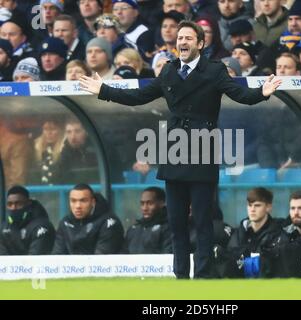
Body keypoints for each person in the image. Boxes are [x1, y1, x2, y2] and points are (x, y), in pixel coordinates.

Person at [79, 20, 281, 278]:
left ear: (200, 43)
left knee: (203, 220)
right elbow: (139, 97)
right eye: (179, 39)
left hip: (202, 149)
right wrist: (103, 90)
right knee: (176, 222)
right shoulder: (169, 71)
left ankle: (205, 274)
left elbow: (239, 94)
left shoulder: (214, 70)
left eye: (187, 38)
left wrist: (261, 92)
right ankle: (181, 276)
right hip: (175, 150)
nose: (182, 42)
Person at [52, 183, 124, 254]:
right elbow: (57, 256)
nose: (78, 206)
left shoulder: (109, 223)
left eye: (83, 201)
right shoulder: (65, 222)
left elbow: (102, 260)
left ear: (93, 202)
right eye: (73, 201)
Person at [0, 186, 55, 255]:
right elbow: (3, 260)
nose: (13, 208)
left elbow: (35, 261)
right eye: (9, 204)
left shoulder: (42, 227)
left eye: (18, 204)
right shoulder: (3, 228)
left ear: (28, 204)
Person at [121, 187, 172, 254]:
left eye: (150, 203)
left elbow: (168, 257)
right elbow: (122, 256)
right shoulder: (133, 229)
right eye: (142, 204)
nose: (145, 208)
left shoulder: (169, 228)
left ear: (162, 203)